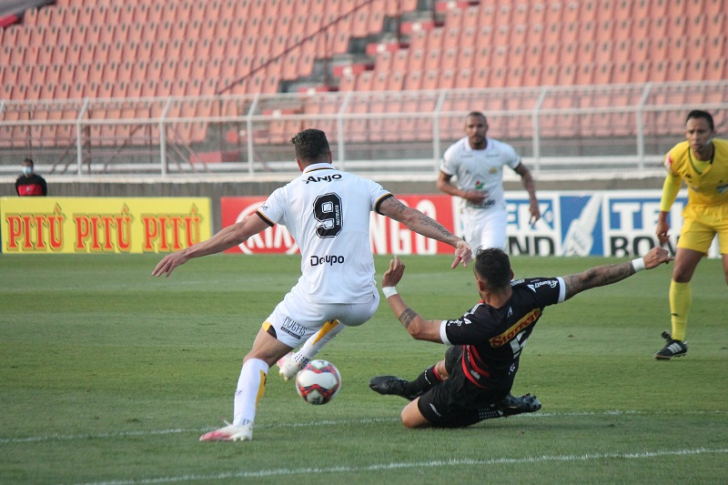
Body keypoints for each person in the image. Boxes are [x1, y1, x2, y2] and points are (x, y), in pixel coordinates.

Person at [152, 129, 472, 441]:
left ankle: (242, 425)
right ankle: (301, 357)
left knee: (256, 358)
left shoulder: (288, 192)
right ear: (330, 156)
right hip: (362, 304)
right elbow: (407, 215)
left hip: (314, 298)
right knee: (346, 307)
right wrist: (454, 239)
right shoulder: (361, 185)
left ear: (298, 163)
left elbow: (239, 232)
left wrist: (186, 253)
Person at [369, 246, 672, 429]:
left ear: (479, 283)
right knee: (454, 355)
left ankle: (495, 409)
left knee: (409, 419)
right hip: (496, 370)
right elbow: (587, 279)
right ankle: (409, 387)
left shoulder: (482, 322)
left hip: (474, 388)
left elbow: (417, 329)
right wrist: (641, 263)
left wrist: (390, 289)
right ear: (511, 273)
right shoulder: (533, 293)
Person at [654, 110, 728, 360]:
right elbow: (673, 180)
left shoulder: (726, 154)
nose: (695, 137)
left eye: (701, 131)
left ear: (713, 133)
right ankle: (678, 339)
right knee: (680, 272)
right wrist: (662, 216)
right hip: (698, 214)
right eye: (691, 132)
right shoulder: (677, 156)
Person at [437, 111, 540, 251]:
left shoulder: (501, 150)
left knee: (492, 254)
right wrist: (465, 195)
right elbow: (442, 183)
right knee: (480, 263)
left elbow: (525, 173)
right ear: (465, 129)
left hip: (494, 211)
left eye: (480, 126)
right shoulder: (455, 152)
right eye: (471, 126)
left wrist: (533, 201)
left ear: (487, 127)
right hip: (469, 215)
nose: (475, 130)